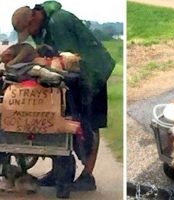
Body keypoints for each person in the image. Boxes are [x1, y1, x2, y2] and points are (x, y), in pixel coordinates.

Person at [12, 1, 115, 198]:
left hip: (93, 73)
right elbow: (46, 52)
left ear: (34, 18)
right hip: (76, 74)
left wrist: (43, 64)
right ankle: (58, 172)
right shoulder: (41, 27)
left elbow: (67, 59)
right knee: (61, 117)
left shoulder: (59, 21)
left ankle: (87, 176)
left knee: (90, 123)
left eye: (29, 30)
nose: (30, 34)